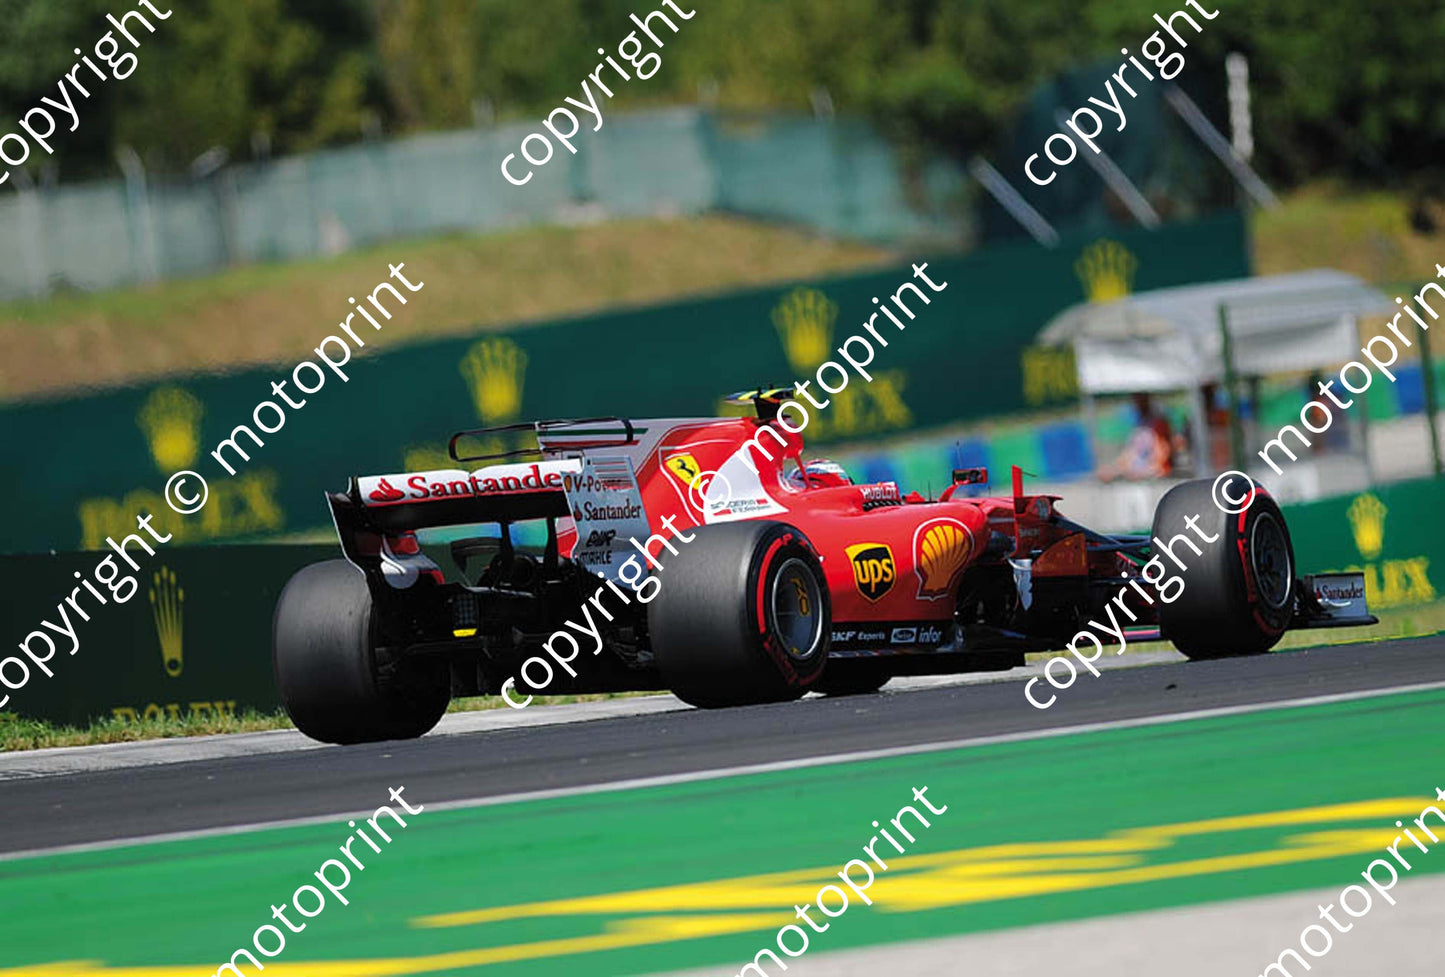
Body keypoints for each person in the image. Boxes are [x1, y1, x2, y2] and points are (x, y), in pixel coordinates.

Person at [1098, 392, 1174, 482]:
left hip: (1154, 472)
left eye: (1141, 398)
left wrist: (1143, 471)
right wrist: (1115, 469)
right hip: (1137, 470)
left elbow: (1161, 456)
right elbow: (1129, 454)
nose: (1138, 402)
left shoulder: (1159, 424)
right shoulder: (1138, 424)